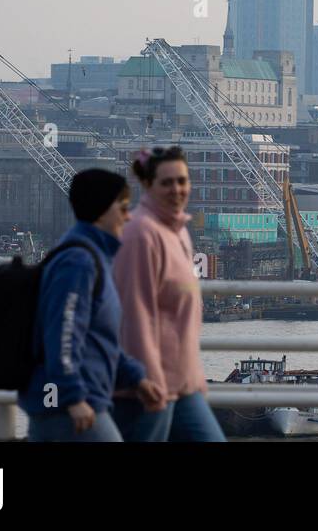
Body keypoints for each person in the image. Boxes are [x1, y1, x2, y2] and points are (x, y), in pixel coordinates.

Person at [18, 169, 166, 441]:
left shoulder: (93, 257)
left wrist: (136, 378)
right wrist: (73, 398)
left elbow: (97, 337)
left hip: (76, 400)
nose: (128, 215)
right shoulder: (79, 262)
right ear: (101, 210)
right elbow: (63, 334)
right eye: (122, 207)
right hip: (67, 407)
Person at [113, 145, 225, 441]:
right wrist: (148, 379)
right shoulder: (141, 234)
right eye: (167, 182)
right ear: (148, 185)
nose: (176, 189)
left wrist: (195, 377)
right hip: (150, 386)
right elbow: (135, 315)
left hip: (183, 384)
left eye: (182, 181)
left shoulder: (179, 232)